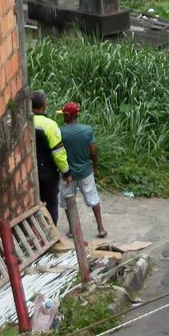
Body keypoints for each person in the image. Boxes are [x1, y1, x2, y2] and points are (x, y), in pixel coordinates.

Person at [57, 102, 107, 239]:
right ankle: (100, 228)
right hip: (85, 171)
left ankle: (73, 230)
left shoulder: (60, 131)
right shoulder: (87, 130)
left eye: (63, 115)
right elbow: (93, 151)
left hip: (68, 174)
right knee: (93, 198)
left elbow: (57, 152)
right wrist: (95, 166)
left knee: (68, 201)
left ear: (67, 116)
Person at [32, 91, 71, 226]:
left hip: (30, 172)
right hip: (48, 173)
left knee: (32, 205)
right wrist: (67, 172)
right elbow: (58, 153)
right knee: (50, 205)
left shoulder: (24, 121)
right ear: (44, 105)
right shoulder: (50, 125)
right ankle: (51, 233)